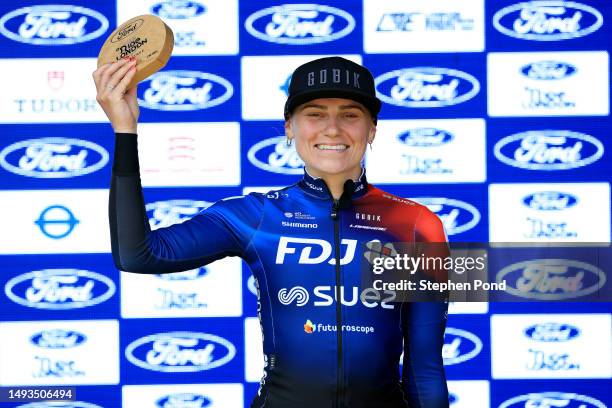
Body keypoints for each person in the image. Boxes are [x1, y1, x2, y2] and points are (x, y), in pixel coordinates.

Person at [93, 56, 450, 408]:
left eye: (350, 114)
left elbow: (425, 368)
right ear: (289, 128)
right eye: (314, 113)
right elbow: (136, 255)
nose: (332, 128)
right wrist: (125, 132)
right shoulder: (258, 215)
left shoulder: (417, 224)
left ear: (372, 129)